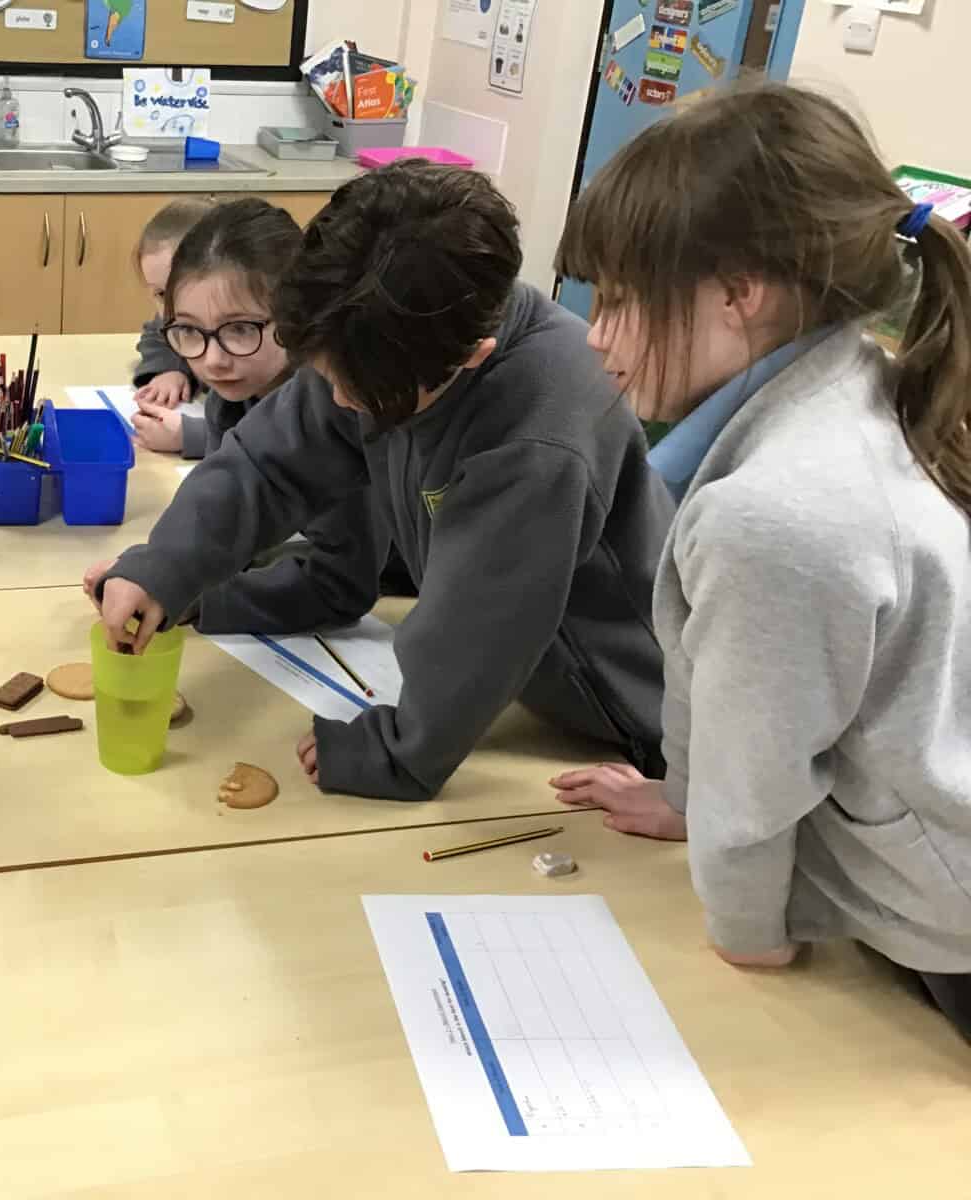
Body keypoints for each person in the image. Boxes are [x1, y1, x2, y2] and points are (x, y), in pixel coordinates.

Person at [546, 82, 971, 1036]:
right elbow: (725, 678)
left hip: (942, 927)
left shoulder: (777, 513)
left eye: (620, 299)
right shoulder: (855, 379)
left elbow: (757, 777)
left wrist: (746, 930)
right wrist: (684, 800)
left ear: (741, 293)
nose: (597, 338)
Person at [89, 162, 672, 802]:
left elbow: (481, 629)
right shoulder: (376, 329)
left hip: (632, 723)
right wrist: (168, 567)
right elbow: (266, 461)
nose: (339, 403)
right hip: (526, 687)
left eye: (360, 394)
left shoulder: (535, 444)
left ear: (471, 357)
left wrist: (399, 751)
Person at [93, 198, 384, 634]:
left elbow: (339, 586)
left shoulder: (336, 407)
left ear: (296, 314)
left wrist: (195, 600)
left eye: (241, 329)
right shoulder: (233, 397)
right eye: (189, 330)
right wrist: (161, 575)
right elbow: (234, 525)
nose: (213, 361)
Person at [129, 196, 215, 453]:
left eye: (180, 290)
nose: (171, 310)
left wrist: (191, 436)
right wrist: (172, 369)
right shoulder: (177, 320)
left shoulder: (257, 345)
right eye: (160, 294)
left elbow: (274, 436)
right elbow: (157, 332)